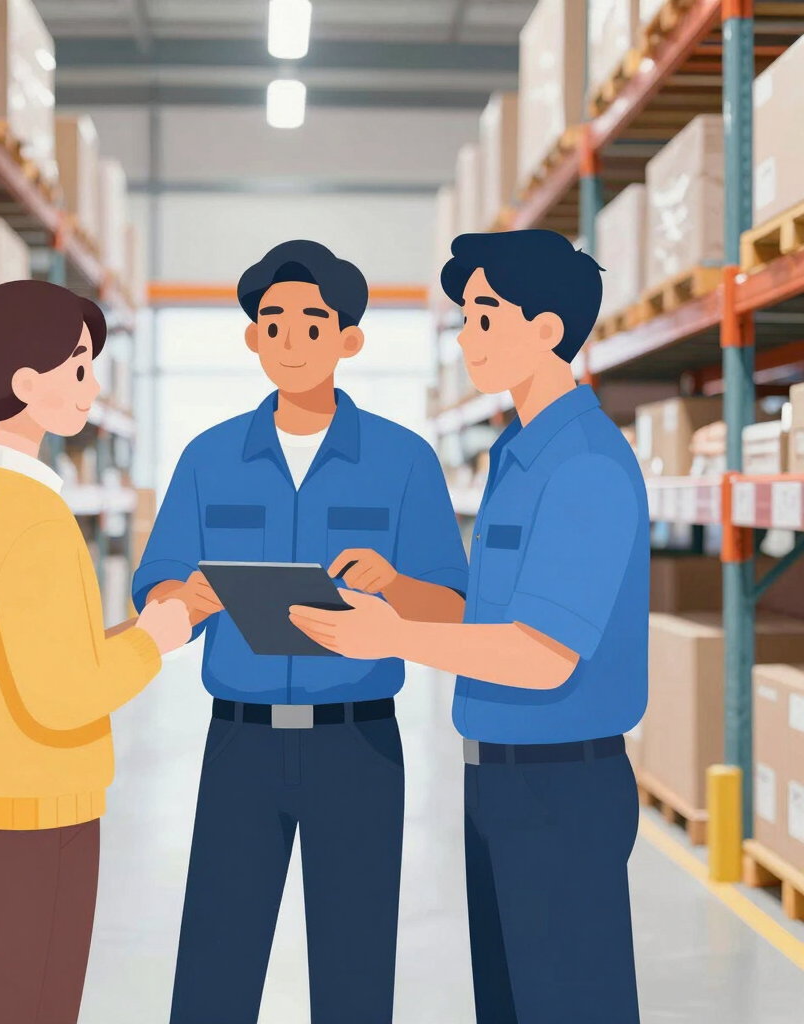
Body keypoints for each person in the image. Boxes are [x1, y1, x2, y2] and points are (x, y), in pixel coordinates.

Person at [291, 229, 648, 1024]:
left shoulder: (583, 465)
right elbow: (483, 623)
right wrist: (402, 594)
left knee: (568, 1004)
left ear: (547, 330)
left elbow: (543, 656)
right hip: (497, 779)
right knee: (512, 1003)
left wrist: (392, 638)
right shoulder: (515, 455)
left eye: (484, 316)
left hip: (561, 782)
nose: (465, 338)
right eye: (464, 318)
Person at [132, 239, 470, 1024]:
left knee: (355, 966)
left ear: (348, 341)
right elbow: (157, 597)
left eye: (313, 324)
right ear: (251, 337)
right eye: (272, 322)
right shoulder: (208, 459)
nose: (290, 340)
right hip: (239, 747)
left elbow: (452, 609)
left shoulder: (405, 461)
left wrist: (395, 588)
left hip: (356, 746)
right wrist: (190, 598)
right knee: (217, 959)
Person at [0, 280, 191, 1024]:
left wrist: (138, 629)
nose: (94, 388)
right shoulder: (35, 518)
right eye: (81, 367)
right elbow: (60, 695)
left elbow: (19, 660)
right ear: (28, 385)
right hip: (35, 824)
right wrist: (156, 643)